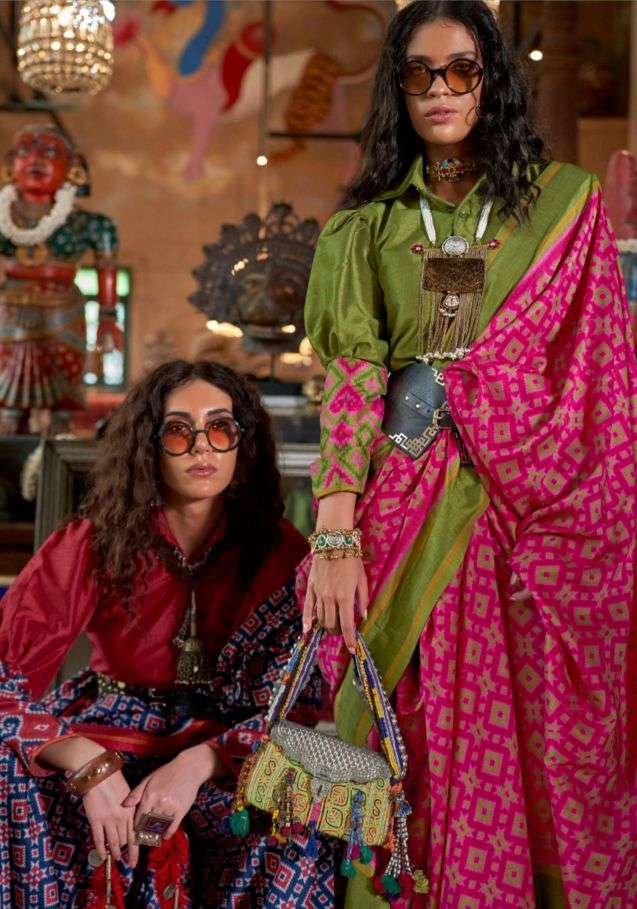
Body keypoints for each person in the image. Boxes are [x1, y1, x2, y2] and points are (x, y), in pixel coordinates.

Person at [298, 2, 637, 907]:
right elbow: (352, 374)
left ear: (491, 80)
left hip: (531, 515)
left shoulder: (562, 206)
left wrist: (518, 448)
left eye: (460, 70)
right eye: (419, 73)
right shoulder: (366, 226)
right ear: (397, 87)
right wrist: (334, 532)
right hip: (404, 508)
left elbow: (596, 372)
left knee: (533, 736)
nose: (440, 90)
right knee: (400, 724)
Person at [0, 359, 335, 907]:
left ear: (242, 446)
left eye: (220, 428)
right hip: (106, 730)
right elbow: (3, 679)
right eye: (179, 431)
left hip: (228, 749)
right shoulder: (92, 541)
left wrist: (199, 763)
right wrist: (85, 761)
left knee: (292, 818)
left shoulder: (280, 551)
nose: (202, 447)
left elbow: (294, 704)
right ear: (147, 448)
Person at [0, 125, 120, 435]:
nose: (35, 159)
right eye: (25, 151)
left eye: (50, 152)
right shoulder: (2, 216)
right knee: (9, 405)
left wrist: (108, 318)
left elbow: (107, 268)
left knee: (62, 403)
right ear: (10, 164)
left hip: (62, 311)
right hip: (9, 311)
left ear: (73, 168)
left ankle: (60, 450)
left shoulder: (91, 224)